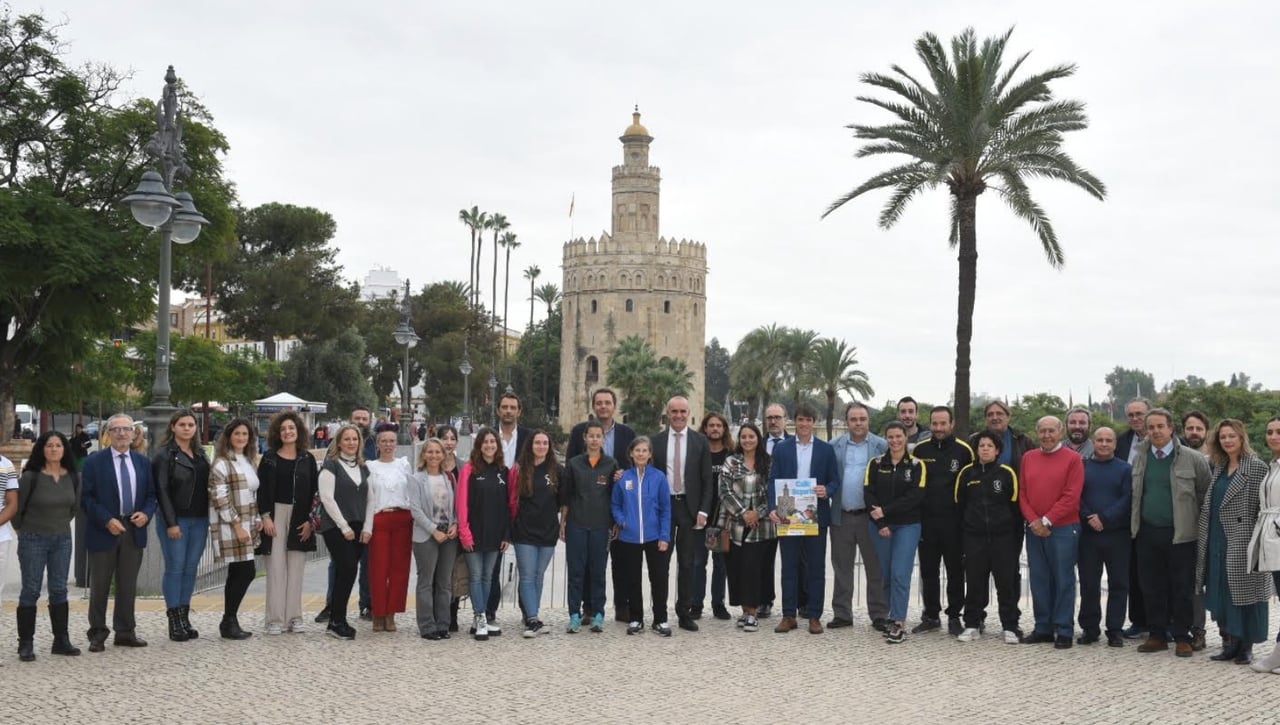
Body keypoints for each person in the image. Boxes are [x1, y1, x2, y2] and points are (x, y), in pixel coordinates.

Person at [1130, 407, 1210, 657]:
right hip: (1147, 532)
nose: (1155, 431)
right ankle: (1157, 635)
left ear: (1171, 428)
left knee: (1182, 587)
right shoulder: (1140, 456)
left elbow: (1204, 494)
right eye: (1150, 427)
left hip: (1181, 535)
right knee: (1152, 586)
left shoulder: (1192, 458)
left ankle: (1182, 636)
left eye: (1160, 426)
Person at [1198, 418, 1272, 665]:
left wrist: (1255, 541)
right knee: (1221, 590)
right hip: (1217, 536)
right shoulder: (1218, 467)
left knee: (1245, 593)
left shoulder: (1257, 467)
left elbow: (1263, 508)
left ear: (1242, 438)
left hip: (1243, 540)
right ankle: (1229, 643)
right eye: (1223, 437)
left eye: (1232, 436)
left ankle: (1246, 646)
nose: (1227, 440)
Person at [81, 413, 157, 652]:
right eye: (116, 429)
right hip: (104, 529)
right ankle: (98, 633)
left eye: (126, 429)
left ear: (134, 434)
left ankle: (125, 631)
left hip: (133, 529)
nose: (122, 433)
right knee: (100, 585)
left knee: (127, 585)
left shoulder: (143, 462)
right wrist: (106, 520)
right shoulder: (94, 462)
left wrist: (146, 513)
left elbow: (151, 496)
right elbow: (86, 498)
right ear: (108, 434)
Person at [769, 403, 840, 635]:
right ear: (794, 421)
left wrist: (826, 490)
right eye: (800, 419)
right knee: (788, 566)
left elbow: (834, 480)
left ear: (814, 422)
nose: (804, 424)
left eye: (808, 420)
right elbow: (773, 480)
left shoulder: (826, 450)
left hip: (815, 515)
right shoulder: (782, 449)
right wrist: (772, 507)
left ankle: (814, 616)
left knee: (816, 568)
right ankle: (789, 615)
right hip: (787, 513)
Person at [567, 388, 635, 622]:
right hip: (585, 512)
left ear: (614, 406)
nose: (603, 406)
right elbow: (571, 470)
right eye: (599, 403)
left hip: (615, 508)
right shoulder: (579, 432)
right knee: (586, 565)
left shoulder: (627, 433)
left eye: (607, 402)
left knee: (620, 561)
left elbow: (633, 467)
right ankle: (587, 608)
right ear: (593, 406)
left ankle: (621, 605)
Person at [13, 432, 81, 660]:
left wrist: (58, 526)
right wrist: (25, 531)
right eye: (49, 445)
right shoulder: (31, 477)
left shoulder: (72, 476)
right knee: (31, 589)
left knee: (59, 588)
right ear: (41, 449)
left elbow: (74, 507)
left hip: (61, 539)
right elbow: (17, 510)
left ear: (65, 450)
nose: (54, 449)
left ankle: (61, 640)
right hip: (33, 538)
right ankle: (25, 643)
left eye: (58, 445)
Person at [649, 396, 714, 632]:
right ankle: (660, 614)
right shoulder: (655, 442)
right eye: (674, 411)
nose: (678, 415)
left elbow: (707, 480)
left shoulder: (700, 442)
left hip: (689, 508)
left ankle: (684, 612)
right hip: (664, 508)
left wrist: (704, 510)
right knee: (661, 564)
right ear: (668, 413)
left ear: (689, 413)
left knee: (688, 563)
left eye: (682, 411)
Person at [1019, 416, 1084, 650]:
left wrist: (1046, 520)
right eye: (1042, 431)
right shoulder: (1028, 458)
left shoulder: (1073, 459)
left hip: (1064, 527)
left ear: (1060, 432)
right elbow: (1023, 493)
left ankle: (1064, 629)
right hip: (1034, 527)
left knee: (1063, 578)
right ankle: (1043, 627)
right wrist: (1034, 521)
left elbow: (1071, 495)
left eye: (1051, 431)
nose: (1046, 435)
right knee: (1039, 579)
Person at [955, 430, 1023, 644]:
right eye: (981, 445)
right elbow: (959, 505)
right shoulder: (966, 473)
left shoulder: (1006, 473)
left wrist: (1013, 539)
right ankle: (973, 624)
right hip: (974, 538)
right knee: (975, 582)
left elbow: (1015, 508)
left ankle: (1010, 626)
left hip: (1003, 538)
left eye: (989, 446)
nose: (985, 449)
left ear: (997, 451)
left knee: (1006, 583)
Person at [911, 405, 974, 636]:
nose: (938, 428)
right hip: (926, 522)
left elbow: (971, 485)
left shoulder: (964, 451)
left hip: (954, 523)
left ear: (952, 424)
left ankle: (955, 616)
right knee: (928, 571)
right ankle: (931, 615)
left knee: (955, 571)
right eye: (935, 424)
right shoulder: (919, 450)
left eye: (943, 424)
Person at [256, 410, 318, 636]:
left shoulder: (308, 459)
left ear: (298, 431)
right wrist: (265, 516)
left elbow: (315, 492)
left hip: (300, 518)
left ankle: (295, 617)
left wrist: (311, 520)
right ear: (277, 433)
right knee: (275, 569)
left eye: (291, 428)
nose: (287, 432)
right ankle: (274, 619)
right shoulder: (269, 458)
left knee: (296, 570)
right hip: (275, 515)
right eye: (283, 429)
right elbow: (261, 491)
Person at [828, 401, 889, 631]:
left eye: (862, 419)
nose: (858, 423)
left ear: (868, 420)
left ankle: (879, 614)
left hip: (870, 517)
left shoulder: (882, 446)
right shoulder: (834, 446)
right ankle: (842, 613)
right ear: (847, 422)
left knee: (875, 567)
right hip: (841, 516)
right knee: (842, 567)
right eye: (853, 419)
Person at [864, 421, 926, 644]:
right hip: (880, 526)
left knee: (900, 573)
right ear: (886, 438)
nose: (895, 441)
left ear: (905, 437)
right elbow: (868, 494)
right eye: (890, 437)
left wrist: (886, 511)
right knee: (887, 575)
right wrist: (881, 523)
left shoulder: (917, 465)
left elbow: (915, 497)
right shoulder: (876, 463)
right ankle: (891, 616)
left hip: (908, 525)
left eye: (899, 436)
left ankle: (899, 622)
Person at [153, 409, 212, 642]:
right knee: (175, 567)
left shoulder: (201, 454)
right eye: (183, 424)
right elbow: (162, 491)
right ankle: (174, 620)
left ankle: (185, 616)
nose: (187, 428)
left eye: (191, 425)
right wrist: (171, 522)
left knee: (190, 568)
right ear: (173, 427)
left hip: (200, 519)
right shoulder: (164, 455)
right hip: (177, 520)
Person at [317, 406, 377, 625]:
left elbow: (371, 499)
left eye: (355, 439)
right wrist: (344, 527)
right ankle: (336, 617)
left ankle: (338, 618)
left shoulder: (363, 467)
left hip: (360, 527)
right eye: (347, 439)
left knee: (349, 573)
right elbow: (327, 498)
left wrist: (368, 527)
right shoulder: (331, 466)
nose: (351, 443)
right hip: (336, 527)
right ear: (339, 442)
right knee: (347, 568)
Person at [560, 420, 619, 634]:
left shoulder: (611, 464)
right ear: (584, 438)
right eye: (591, 435)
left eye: (598, 436)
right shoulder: (574, 463)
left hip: (600, 526)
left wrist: (614, 524)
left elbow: (615, 497)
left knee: (598, 572)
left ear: (603, 439)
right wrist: (563, 522)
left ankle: (598, 614)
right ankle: (574, 615)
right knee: (576, 572)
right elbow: (566, 495)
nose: (594, 439)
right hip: (576, 524)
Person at [1076, 427, 1132, 647]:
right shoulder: (1082, 467)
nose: (1104, 444)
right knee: (1089, 584)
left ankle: (1115, 629)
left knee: (1119, 583)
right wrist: (1089, 516)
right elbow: (1075, 495)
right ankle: (1090, 628)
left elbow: (1128, 498)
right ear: (1094, 442)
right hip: (1088, 535)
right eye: (1100, 440)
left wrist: (1105, 518)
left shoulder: (1125, 469)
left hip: (1118, 534)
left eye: (1109, 440)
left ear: (1115, 444)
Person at [611, 436, 673, 636]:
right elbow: (615, 504)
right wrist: (622, 521)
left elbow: (665, 509)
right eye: (637, 450)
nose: (640, 454)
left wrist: (665, 535)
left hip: (655, 536)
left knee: (659, 579)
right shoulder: (623, 478)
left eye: (644, 450)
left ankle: (660, 619)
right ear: (631, 453)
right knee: (632, 579)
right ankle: (636, 618)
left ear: (650, 455)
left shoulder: (659, 477)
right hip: (629, 537)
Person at [718, 423, 775, 633]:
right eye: (743, 437)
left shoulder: (768, 462)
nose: (747, 440)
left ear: (758, 439)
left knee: (753, 569)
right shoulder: (731, 462)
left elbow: (773, 491)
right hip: (735, 525)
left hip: (762, 527)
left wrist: (757, 513)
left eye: (751, 436)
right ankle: (744, 610)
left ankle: (753, 613)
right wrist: (743, 513)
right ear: (739, 439)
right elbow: (724, 491)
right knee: (737, 570)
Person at [208, 418, 261, 641]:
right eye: (237, 434)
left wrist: (257, 517)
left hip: (248, 522)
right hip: (232, 525)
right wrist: (237, 525)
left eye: (245, 434)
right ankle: (228, 619)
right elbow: (220, 497)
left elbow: (252, 492)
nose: (241, 438)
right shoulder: (222, 463)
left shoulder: (248, 461)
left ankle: (229, 620)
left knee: (239, 572)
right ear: (229, 436)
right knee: (246, 571)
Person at [457, 428, 510, 641]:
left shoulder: (503, 471)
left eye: (493, 441)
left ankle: (483, 616)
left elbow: (508, 506)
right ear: (479, 445)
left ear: (497, 445)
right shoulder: (469, 470)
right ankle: (479, 616)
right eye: (485, 442)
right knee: (476, 576)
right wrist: (464, 532)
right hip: (474, 533)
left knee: (488, 576)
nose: (489, 445)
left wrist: (507, 535)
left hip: (496, 534)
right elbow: (462, 505)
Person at [509, 430, 563, 637]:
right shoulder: (519, 470)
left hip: (548, 531)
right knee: (528, 575)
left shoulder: (557, 470)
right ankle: (532, 618)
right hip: (524, 531)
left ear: (549, 447)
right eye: (537, 443)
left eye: (545, 443)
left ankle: (533, 613)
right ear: (530, 445)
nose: (541, 446)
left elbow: (562, 501)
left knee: (539, 575)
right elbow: (512, 501)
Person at [362, 430, 414, 633]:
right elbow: (368, 497)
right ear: (377, 444)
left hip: (402, 518)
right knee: (378, 569)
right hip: (380, 518)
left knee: (399, 570)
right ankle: (378, 612)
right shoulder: (370, 467)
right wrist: (367, 526)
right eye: (384, 441)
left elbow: (411, 491)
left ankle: (392, 613)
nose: (388, 444)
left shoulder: (404, 465)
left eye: (392, 441)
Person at [488, 393, 533, 624]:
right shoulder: (488, 437)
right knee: (492, 566)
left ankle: (528, 612)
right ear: (498, 410)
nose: (508, 411)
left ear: (519, 411)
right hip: (493, 508)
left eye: (512, 407)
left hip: (522, 508)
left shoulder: (528, 437)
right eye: (504, 407)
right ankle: (489, 612)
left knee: (525, 567)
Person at [408, 438, 458, 640]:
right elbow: (415, 510)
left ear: (443, 455)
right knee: (426, 582)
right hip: (426, 536)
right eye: (430, 452)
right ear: (423, 455)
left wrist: (455, 524)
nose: (434, 455)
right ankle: (427, 626)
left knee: (445, 583)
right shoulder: (416, 478)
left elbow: (455, 506)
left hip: (449, 535)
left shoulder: (449, 479)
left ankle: (443, 624)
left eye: (438, 452)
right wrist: (433, 530)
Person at [1117, 397, 1153, 640]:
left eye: (1140, 414)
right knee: (1132, 571)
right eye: (1131, 415)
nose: (1135, 419)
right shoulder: (1120, 443)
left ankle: (1162, 622)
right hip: (1127, 516)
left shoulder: (1169, 441)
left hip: (1154, 514)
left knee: (1157, 571)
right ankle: (1139, 621)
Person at [1248, 417, 1280, 673]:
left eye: (1279, 432)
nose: (1273, 436)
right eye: (1270, 432)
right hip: (1272, 535)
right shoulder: (1273, 466)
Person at [758, 403, 793, 618]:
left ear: (785, 419)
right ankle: (764, 600)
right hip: (763, 510)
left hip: (790, 508)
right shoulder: (757, 444)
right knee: (764, 558)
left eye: (777, 417)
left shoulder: (795, 444)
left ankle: (800, 601)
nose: (773, 421)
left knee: (794, 558)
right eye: (769, 417)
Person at [699, 412, 733, 620]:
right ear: (705, 428)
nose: (715, 429)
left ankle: (718, 603)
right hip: (700, 515)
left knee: (720, 564)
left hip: (723, 517)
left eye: (718, 425)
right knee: (697, 562)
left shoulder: (731, 455)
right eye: (711, 425)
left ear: (724, 429)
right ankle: (695, 603)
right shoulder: (698, 452)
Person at [969, 401, 1033, 477]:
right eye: (990, 414)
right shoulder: (974, 440)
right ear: (986, 418)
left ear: (1008, 417)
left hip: (1013, 487)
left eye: (999, 413)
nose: (995, 418)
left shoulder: (1023, 441)